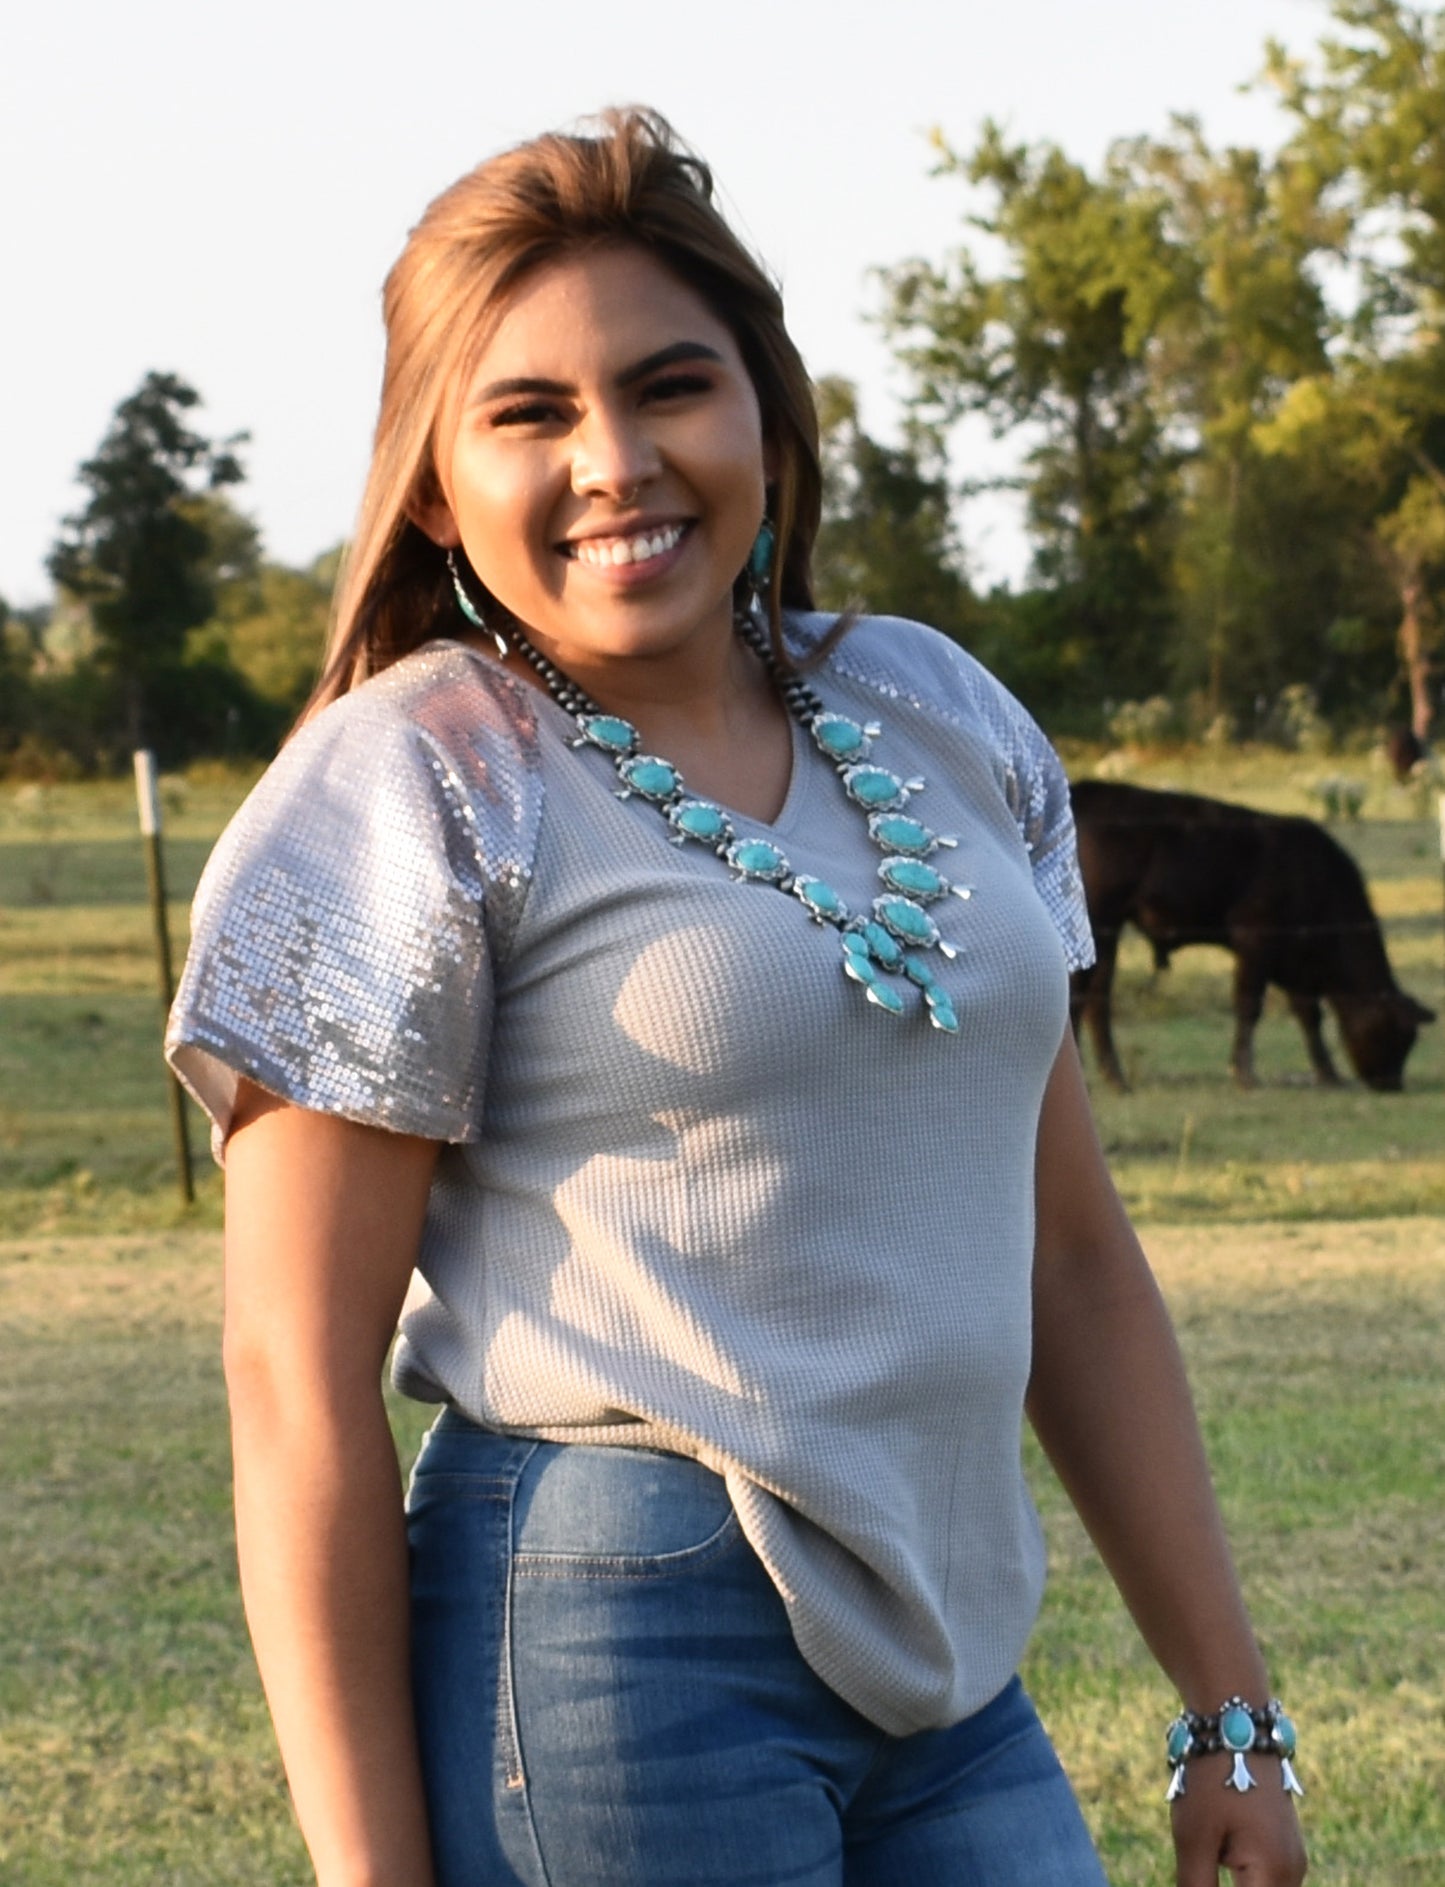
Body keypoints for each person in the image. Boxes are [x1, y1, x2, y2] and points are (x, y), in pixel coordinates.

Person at [166, 107, 1308, 1887]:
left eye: (669, 385)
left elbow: (1069, 1256)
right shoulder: (413, 783)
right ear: (436, 478)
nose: (615, 460)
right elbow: (292, 1378)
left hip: (950, 1661)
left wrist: (1226, 1708)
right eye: (526, 415)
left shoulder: (938, 709)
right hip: (615, 1639)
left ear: (767, 412)